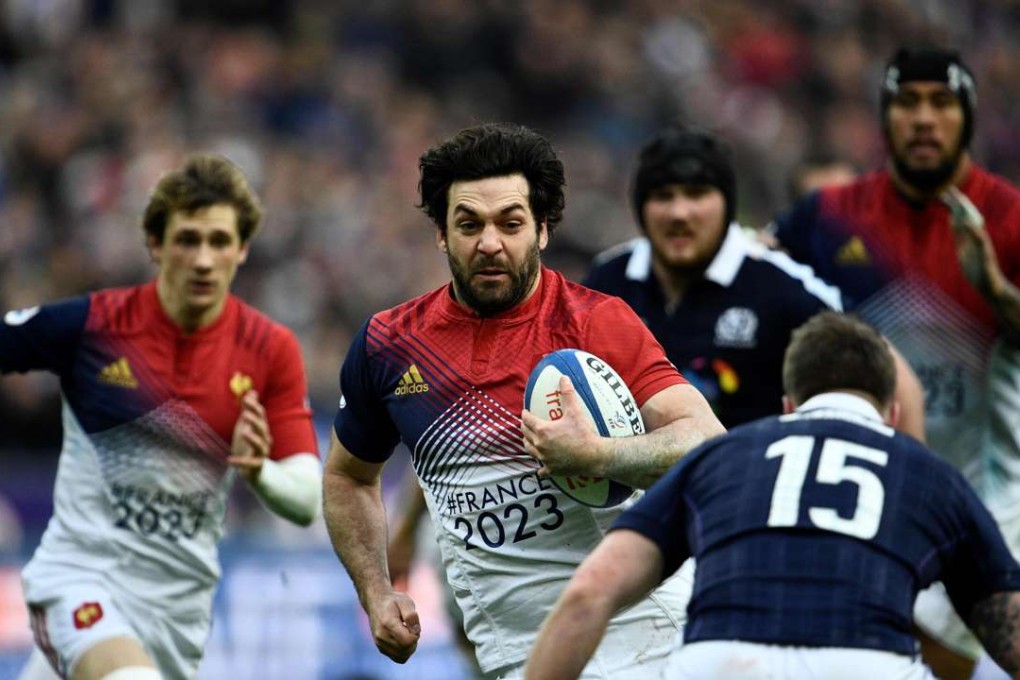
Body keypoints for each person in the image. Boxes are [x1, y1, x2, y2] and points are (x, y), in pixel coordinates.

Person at [322, 122, 725, 680]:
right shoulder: (389, 346)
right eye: (469, 224)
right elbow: (348, 477)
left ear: (541, 230)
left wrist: (597, 457)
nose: (490, 243)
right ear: (441, 233)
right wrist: (376, 591)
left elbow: (707, 442)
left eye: (510, 223)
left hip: (639, 631)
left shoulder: (594, 323)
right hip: (510, 650)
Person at [525, 311, 1020, 680]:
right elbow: (1007, 630)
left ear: (788, 405)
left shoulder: (720, 457)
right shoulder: (930, 475)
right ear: (891, 414)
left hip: (719, 662)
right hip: (866, 662)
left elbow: (591, 592)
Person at [1, 154, 322, 680]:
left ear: (241, 249)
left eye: (219, 242)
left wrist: (261, 470)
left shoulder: (270, 349)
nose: (203, 259)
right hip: (81, 578)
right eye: (187, 239)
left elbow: (306, 502)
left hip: (177, 611)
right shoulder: (94, 326)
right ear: (155, 244)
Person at [767, 46, 1020, 679]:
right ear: (885, 117)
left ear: (967, 115)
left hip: (991, 495)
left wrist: (995, 290)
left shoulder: (1011, 220)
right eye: (908, 103)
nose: (924, 119)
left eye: (941, 102)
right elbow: (761, 289)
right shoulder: (827, 217)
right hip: (867, 488)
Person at [583, 126, 844, 429]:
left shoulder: (783, 286)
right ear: (640, 208)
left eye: (697, 193)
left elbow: (864, 374)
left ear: (727, 205)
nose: (679, 212)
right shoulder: (606, 282)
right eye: (663, 195)